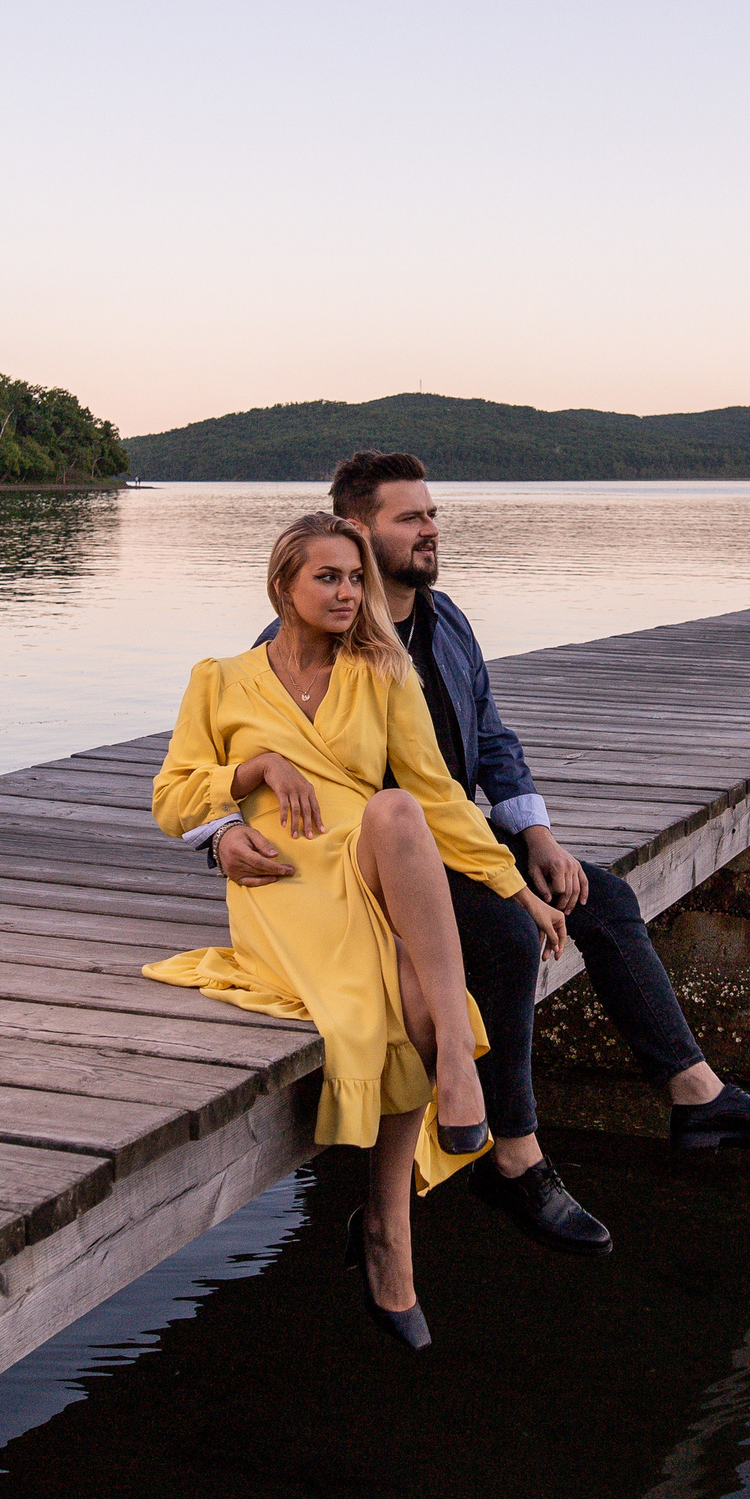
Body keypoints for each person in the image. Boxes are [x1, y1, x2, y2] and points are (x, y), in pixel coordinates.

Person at [188, 451, 750, 1259]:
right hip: (364, 867)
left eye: (431, 515)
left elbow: (490, 738)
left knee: (603, 897)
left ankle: (696, 1094)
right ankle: (515, 1155)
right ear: (353, 532)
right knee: (508, 935)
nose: (430, 530)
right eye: (409, 518)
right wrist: (220, 833)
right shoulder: (301, 638)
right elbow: (223, 757)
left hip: (459, 834)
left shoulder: (444, 620)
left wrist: (537, 837)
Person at [143, 511, 570, 1351]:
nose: (346, 592)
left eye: (354, 579)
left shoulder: (383, 670)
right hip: (284, 876)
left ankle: (456, 1065)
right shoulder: (220, 679)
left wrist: (516, 885)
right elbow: (172, 796)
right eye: (327, 578)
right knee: (407, 999)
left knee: (401, 804)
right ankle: (387, 1227)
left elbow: (441, 796)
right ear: (283, 588)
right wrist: (247, 785)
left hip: (371, 851)